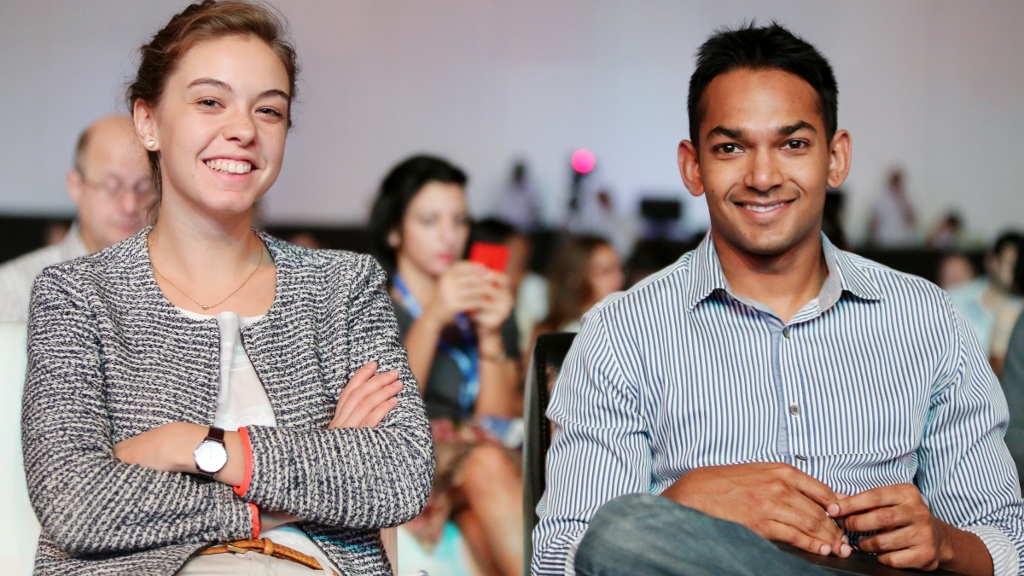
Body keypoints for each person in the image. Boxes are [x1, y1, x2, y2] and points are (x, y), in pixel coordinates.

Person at [533, 22, 1024, 576]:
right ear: (693, 167)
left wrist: (944, 542)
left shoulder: (924, 319)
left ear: (836, 158)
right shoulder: (623, 333)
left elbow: (1008, 543)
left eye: (793, 144)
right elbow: (560, 561)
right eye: (730, 147)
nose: (763, 176)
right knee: (621, 531)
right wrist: (684, 505)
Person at [21, 2, 432, 575]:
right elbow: (76, 505)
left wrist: (192, 446)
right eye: (210, 101)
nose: (242, 130)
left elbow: (398, 475)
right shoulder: (78, 294)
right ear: (148, 122)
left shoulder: (343, 287)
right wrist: (309, 475)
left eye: (269, 110)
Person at [369, 155, 524, 576]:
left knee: (479, 514)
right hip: (410, 456)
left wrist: (491, 334)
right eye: (429, 220)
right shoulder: (371, 305)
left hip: (480, 462)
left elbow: (497, 421)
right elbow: (388, 411)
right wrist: (434, 315)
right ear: (395, 231)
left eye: (459, 220)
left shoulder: (487, 301)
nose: (449, 236)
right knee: (486, 466)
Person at [0, 115, 151, 321]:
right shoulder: (14, 289)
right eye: (112, 186)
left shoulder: (181, 287)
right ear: (75, 186)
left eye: (145, 187)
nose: (130, 205)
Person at [949, 232, 1024, 377]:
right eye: (1010, 263)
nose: (1015, 270)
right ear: (992, 262)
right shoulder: (955, 299)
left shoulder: (1021, 311)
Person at [534, 235, 623, 335]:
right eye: (605, 271)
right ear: (577, 277)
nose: (619, 278)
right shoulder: (559, 330)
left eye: (618, 268)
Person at [866, 168, 917, 247]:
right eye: (895, 182)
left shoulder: (906, 200)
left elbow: (912, 221)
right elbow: (873, 222)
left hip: (902, 240)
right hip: (884, 240)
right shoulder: (880, 200)